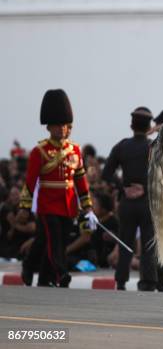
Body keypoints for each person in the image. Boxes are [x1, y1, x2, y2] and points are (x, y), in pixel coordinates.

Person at [20, 89, 95, 287]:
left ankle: (41, 274)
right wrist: (25, 207)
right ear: (49, 127)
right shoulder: (40, 151)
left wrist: (87, 205)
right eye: (57, 125)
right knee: (54, 237)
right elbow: (30, 181)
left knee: (48, 240)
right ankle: (61, 272)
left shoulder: (75, 150)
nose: (61, 129)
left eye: (64, 125)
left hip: (68, 203)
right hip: (47, 202)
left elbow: (80, 179)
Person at [102, 107, 163, 291]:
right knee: (148, 243)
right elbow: (162, 176)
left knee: (125, 242)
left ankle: (121, 280)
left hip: (127, 203)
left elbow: (106, 173)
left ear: (131, 125)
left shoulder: (122, 146)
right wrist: (145, 188)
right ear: (148, 126)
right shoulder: (153, 147)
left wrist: (122, 186)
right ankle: (148, 281)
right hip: (148, 203)